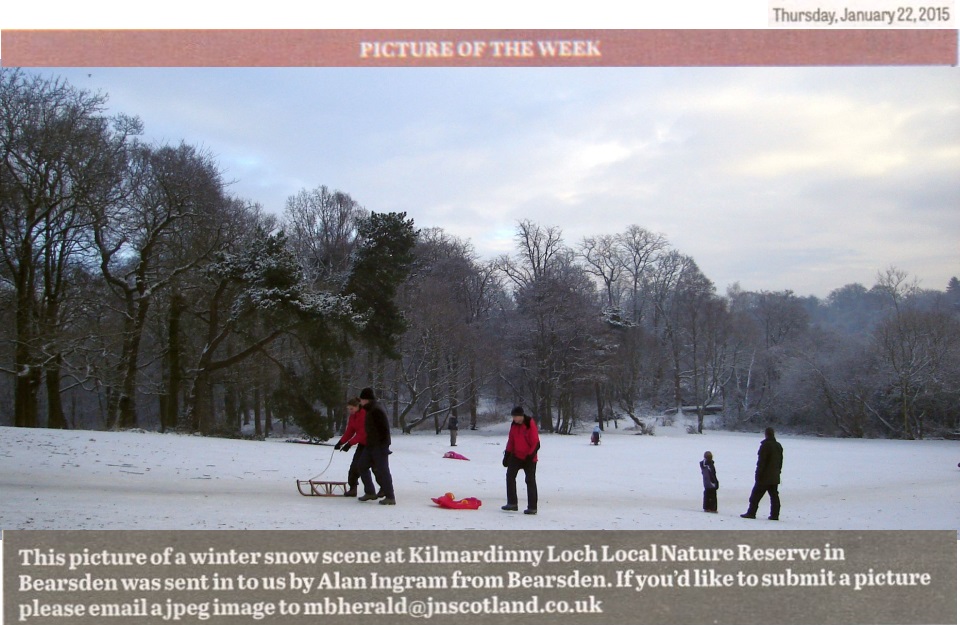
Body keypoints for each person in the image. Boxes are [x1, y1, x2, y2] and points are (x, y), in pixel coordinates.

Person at [356, 387, 396, 505]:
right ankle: (370, 492)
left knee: (383, 470)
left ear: (366, 399)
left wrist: (384, 446)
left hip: (379, 446)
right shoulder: (369, 410)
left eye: (361, 399)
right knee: (362, 465)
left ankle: (390, 496)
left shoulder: (376, 410)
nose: (360, 402)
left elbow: (384, 429)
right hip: (371, 445)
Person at [502, 406, 540, 515]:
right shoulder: (514, 425)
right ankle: (512, 503)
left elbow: (536, 443)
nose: (514, 419)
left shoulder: (529, 424)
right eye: (513, 417)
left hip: (529, 457)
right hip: (516, 456)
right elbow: (511, 440)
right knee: (510, 476)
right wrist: (507, 455)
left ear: (521, 415)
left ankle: (532, 507)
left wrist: (530, 456)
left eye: (516, 417)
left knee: (530, 481)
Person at [741, 427, 783, 520]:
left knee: (755, 496)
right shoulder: (778, 446)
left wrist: (758, 474)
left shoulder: (765, 446)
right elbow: (780, 462)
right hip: (775, 476)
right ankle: (775, 515)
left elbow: (762, 462)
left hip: (764, 476)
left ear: (766, 434)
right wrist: (778, 471)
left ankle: (751, 512)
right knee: (774, 497)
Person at [333, 398, 367, 497]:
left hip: (372, 444)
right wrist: (341, 442)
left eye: (351, 409)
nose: (350, 411)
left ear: (357, 407)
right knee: (354, 466)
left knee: (373, 468)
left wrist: (349, 444)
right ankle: (353, 488)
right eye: (349, 409)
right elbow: (350, 431)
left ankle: (380, 490)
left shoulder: (364, 415)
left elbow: (362, 433)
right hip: (362, 444)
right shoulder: (353, 417)